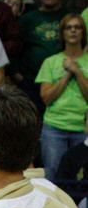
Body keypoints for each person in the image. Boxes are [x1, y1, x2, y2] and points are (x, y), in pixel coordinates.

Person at [37, 13, 88, 177]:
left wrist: (77, 71)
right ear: (62, 33)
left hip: (84, 128)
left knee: (82, 182)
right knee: (53, 178)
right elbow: (46, 98)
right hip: (54, 128)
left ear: (83, 33)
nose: (73, 31)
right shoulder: (50, 62)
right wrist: (67, 74)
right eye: (69, 27)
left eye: (77, 27)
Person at [15, 0, 67, 108]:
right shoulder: (27, 19)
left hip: (63, 80)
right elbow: (14, 48)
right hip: (31, 83)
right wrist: (18, 76)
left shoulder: (69, 17)